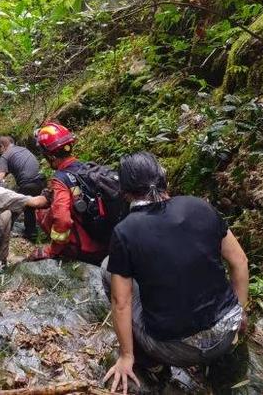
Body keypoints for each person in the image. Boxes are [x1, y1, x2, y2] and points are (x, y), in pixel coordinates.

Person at [102, 152, 249, 393]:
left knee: (109, 267)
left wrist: (126, 356)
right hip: (227, 334)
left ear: (125, 191)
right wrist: (240, 312)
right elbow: (240, 261)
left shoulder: (125, 231)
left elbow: (121, 303)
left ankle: (151, 364)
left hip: (174, 350)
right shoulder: (199, 206)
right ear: (163, 178)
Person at [28, 122, 109, 264]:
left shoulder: (61, 179)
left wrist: (51, 250)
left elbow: (63, 220)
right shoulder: (87, 167)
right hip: (105, 240)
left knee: (42, 211)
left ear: (50, 156)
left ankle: (66, 249)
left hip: (86, 249)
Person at [0, 135, 46, 240]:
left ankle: (4, 231)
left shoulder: (5, 156)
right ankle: (32, 232)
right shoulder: (23, 149)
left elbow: (1, 176)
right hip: (41, 181)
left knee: (13, 206)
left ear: (2, 146)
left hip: (28, 184)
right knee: (29, 208)